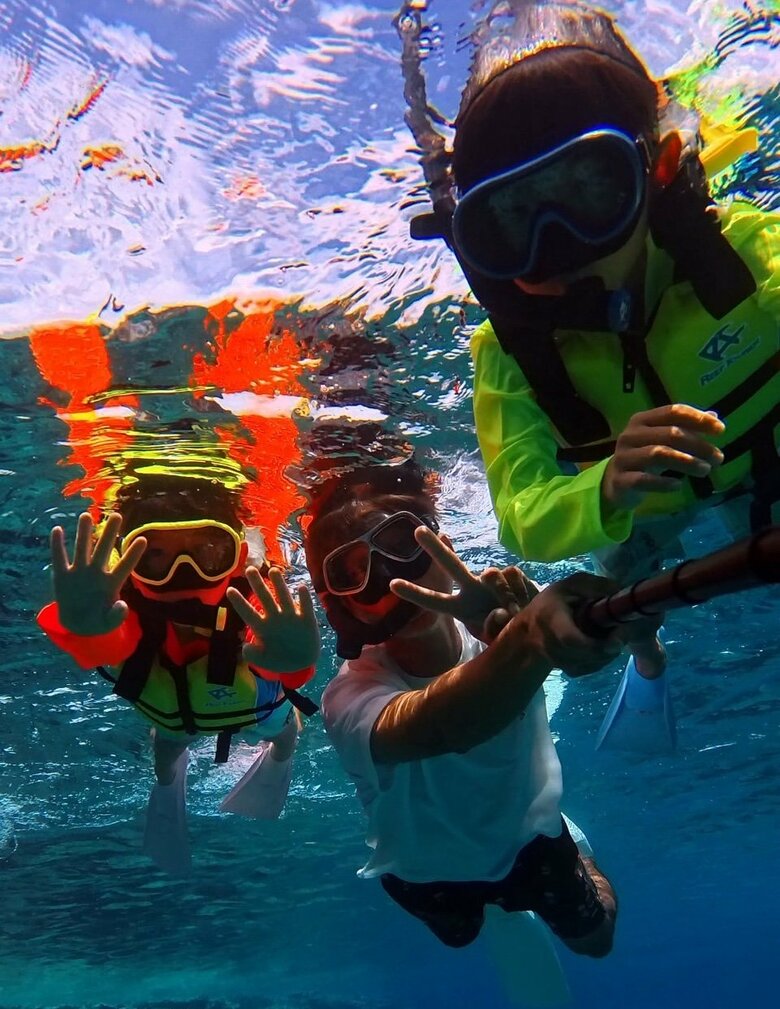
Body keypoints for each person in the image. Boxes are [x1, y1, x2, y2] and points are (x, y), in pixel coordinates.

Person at [398, 0, 778, 750]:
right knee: (614, 582)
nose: (555, 248)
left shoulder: (753, 258)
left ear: (659, 167)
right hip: (641, 506)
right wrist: (604, 486)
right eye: (511, 222)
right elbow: (524, 512)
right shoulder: (512, 351)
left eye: (588, 193)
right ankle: (644, 646)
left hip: (767, 457)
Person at [290, 462, 660, 981]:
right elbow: (441, 725)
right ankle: (508, 900)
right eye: (352, 571)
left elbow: (565, 642)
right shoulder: (347, 696)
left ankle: (575, 848)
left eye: (404, 540)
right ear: (340, 607)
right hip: (420, 872)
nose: (392, 576)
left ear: (443, 542)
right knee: (459, 936)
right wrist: (528, 640)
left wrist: (611, 631)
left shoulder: (511, 621)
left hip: (528, 844)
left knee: (596, 943)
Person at [38, 474, 321, 875]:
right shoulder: (121, 604)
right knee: (166, 753)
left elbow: (276, 652)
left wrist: (294, 662)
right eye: (154, 556)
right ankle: (169, 782)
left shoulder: (251, 593)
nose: (182, 572)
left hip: (249, 704)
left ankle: (279, 758)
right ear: (130, 562)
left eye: (208, 552)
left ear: (236, 555)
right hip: (176, 713)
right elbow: (114, 642)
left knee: (286, 731)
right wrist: (87, 630)